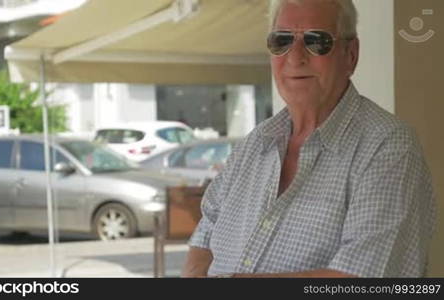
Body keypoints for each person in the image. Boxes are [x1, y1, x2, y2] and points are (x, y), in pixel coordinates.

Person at [182, 0, 435, 278]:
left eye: (317, 40)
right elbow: (206, 234)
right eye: (282, 40)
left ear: (350, 55)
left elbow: (363, 280)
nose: (295, 57)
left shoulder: (387, 146)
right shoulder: (255, 143)